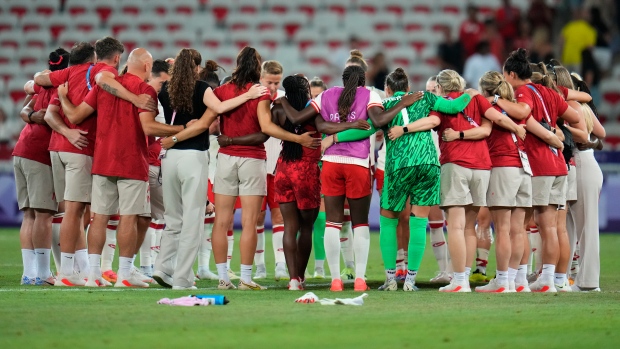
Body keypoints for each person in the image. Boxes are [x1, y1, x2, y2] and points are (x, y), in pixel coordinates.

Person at [162, 46, 318, 291]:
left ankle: (223, 277)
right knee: (249, 222)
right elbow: (266, 128)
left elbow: (210, 123)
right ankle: (245, 278)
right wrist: (298, 139)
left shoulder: (221, 91)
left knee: (221, 221)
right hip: (253, 160)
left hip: (224, 159)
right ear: (257, 67)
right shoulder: (260, 92)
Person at [279, 65, 418, 292]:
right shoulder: (370, 95)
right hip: (358, 164)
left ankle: (335, 280)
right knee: (360, 223)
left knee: (333, 222)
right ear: (363, 81)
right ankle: (360, 280)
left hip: (332, 163)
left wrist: (283, 101)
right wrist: (403, 103)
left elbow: (309, 121)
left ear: (343, 80)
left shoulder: (326, 94)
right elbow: (379, 120)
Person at [57, 48, 175, 288]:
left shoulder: (104, 85)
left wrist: (61, 98)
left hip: (102, 159)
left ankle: (92, 275)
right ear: (146, 67)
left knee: (99, 218)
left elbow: (78, 115)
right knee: (129, 219)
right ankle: (123, 274)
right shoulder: (145, 89)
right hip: (132, 160)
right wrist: (181, 129)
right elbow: (149, 128)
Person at [155, 48, 270, 290]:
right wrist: (249, 95)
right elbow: (217, 110)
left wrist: (173, 139)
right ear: (197, 68)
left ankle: (166, 269)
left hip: (171, 157)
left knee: (177, 219)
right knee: (197, 221)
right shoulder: (204, 90)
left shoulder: (165, 89)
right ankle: (186, 278)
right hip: (199, 157)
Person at [426, 69, 526, 293]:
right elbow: (497, 119)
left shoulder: (440, 102)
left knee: (456, 225)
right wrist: (516, 127)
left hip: (456, 163)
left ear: (441, 87)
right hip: (482, 167)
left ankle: (459, 280)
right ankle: (466, 277)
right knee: (470, 227)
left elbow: (431, 122)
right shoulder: (477, 98)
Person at [493, 49, 583, 292]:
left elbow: (523, 113)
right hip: (559, 165)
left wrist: (496, 100)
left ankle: (518, 279)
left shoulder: (522, 92)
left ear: (511, 74)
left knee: (522, 225)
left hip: (539, 163)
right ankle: (552, 279)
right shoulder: (548, 91)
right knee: (553, 227)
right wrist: (556, 130)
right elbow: (575, 116)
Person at [34, 40, 122, 286]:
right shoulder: (95, 71)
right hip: (80, 148)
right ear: (93, 60)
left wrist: (34, 81)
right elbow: (107, 77)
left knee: (73, 210)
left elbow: (40, 80)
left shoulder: (64, 75)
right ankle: (66, 272)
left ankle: (77, 270)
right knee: (74, 212)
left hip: (58, 149)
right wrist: (72, 133)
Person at [475, 71, 563, 293]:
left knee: (503, 229)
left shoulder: (489, 108)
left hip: (503, 167)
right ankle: (518, 280)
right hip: (525, 169)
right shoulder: (520, 110)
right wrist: (559, 143)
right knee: (519, 230)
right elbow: (546, 132)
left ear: (486, 91)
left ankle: (503, 281)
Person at [14, 48, 68, 286]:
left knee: (30, 216)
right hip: (39, 154)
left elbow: (24, 109)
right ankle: (44, 273)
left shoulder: (40, 84)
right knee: (44, 215)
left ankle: (29, 273)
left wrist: (32, 114)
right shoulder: (62, 87)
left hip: (22, 149)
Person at [270, 75, 322, 290]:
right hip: (306, 170)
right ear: (306, 89)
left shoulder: (278, 109)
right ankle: (300, 277)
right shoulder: (314, 109)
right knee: (306, 227)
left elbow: (269, 130)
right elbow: (323, 126)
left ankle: (292, 280)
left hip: (283, 168)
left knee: (289, 226)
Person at [568, 74, 605, 292]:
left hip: (582, 163)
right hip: (588, 161)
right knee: (576, 227)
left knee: (585, 229)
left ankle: (589, 282)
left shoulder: (573, 107)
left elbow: (586, 136)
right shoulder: (585, 107)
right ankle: (574, 277)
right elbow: (601, 133)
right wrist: (590, 141)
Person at [255, 60, 287, 281]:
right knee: (256, 217)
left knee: (279, 216)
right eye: (270, 82)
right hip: (256, 166)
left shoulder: (285, 99)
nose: (274, 87)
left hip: (278, 166)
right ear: (261, 78)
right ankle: (259, 266)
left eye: (277, 82)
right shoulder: (253, 96)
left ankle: (280, 264)